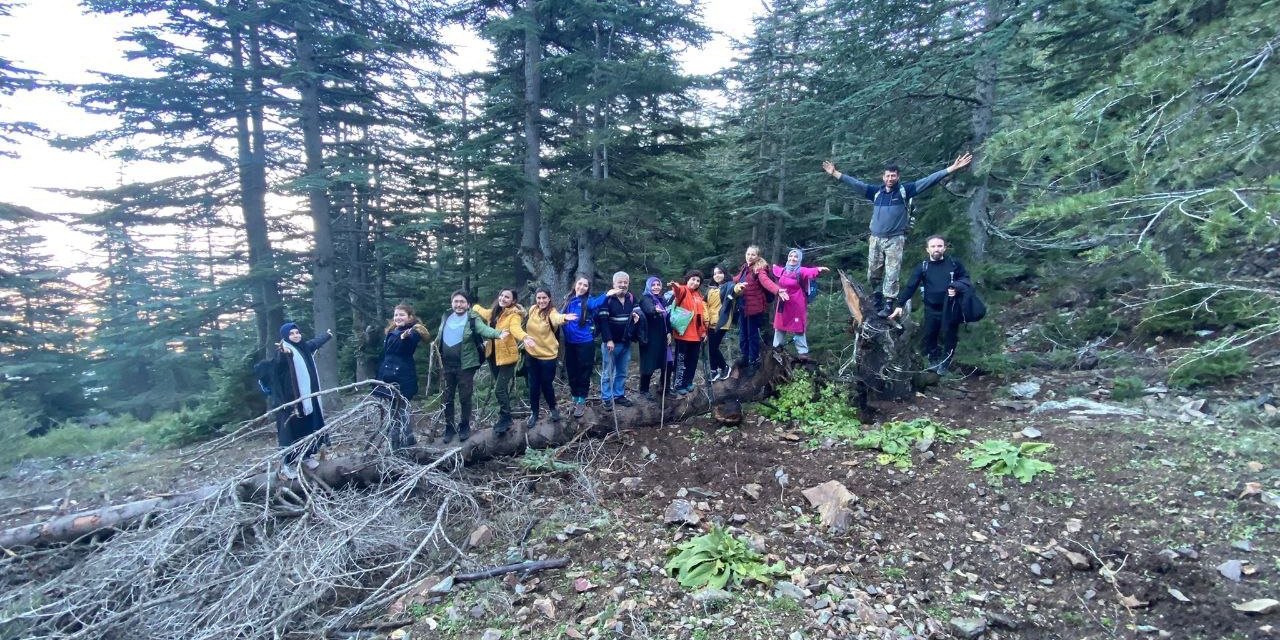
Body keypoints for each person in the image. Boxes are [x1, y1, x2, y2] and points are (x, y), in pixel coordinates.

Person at [822, 153, 972, 316]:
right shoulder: (875, 193)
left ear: (898, 176)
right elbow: (855, 184)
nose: (890, 178)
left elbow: (929, 180)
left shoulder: (905, 191)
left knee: (892, 273)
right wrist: (835, 173)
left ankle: (888, 303)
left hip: (895, 239)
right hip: (876, 238)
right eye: (887, 175)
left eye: (893, 176)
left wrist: (951, 168)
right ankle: (877, 297)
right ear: (883, 177)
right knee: (873, 272)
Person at [888, 235, 972, 374]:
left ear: (945, 248)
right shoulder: (923, 267)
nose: (936, 249)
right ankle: (933, 360)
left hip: (951, 307)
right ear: (927, 249)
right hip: (931, 308)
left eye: (939, 246)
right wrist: (899, 304)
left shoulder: (954, 264)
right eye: (933, 246)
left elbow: (966, 280)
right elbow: (911, 286)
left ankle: (945, 363)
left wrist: (956, 287)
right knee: (930, 334)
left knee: (950, 336)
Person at [435, 291, 507, 442]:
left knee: (465, 397)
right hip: (446, 365)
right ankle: (449, 428)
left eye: (462, 302)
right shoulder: (446, 317)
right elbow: (439, 336)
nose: (459, 305)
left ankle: (464, 426)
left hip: (465, 366)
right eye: (456, 301)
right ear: (452, 303)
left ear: (468, 304)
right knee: (447, 398)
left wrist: (498, 334)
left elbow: (484, 330)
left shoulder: (473, 318)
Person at [266, 322, 333, 476]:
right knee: (292, 431)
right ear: (285, 337)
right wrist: (284, 352)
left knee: (308, 427)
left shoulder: (303, 347)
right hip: (292, 402)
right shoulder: (284, 351)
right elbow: (280, 363)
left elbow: (315, 343)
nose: (296, 336)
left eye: (297, 333)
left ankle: (307, 456)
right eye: (291, 334)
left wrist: (328, 335)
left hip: (308, 399)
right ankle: (289, 463)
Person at [511, 288, 577, 426]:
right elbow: (524, 316)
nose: (541, 301)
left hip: (548, 357)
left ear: (549, 298)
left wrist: (564, 318)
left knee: (547, 384)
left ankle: (553, 409)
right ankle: (534, 413)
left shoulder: (552, 312)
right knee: (533, 386)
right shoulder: (533, 309)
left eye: (544, 298)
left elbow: (557, 318)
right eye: (539, 298)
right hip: (531, 354)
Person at [375, 304, 430, 448]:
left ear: (410, 317)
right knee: (393, 410)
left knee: (403, 408)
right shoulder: (392, 331)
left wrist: (405, 337)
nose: (398, 317)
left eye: (402, 315)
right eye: (396, 315)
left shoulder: (414, 332)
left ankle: (409, 442)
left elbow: (409, 342)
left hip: (403, 376)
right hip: (388, 375)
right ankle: (395, 444)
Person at [471, 289, 525, 435]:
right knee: (501, 388)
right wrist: (473, 307)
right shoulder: (494, 313)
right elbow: (480, 310)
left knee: (499, 388)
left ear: (513, 301)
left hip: (507, 357)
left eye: (507, 297)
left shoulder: (513, 315)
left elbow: (516, 330)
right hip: (492, 356)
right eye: (501, 295)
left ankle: (506, 417)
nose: (503, 298)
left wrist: (525, 338)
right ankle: (506, 415)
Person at [733, 245, 784, 377]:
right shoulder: (745, 268)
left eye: (753, 255)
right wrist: (721, 282)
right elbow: (736, 280)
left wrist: (777, 290)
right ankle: (745, 356)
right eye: (748, 254)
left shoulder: (759, 269)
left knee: (752, 335)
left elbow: (765, 281)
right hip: (743, 307)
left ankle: (753, 360)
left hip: (754, 309)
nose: (750, 256)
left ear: (758, 256)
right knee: (743, 334)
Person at [770, 248, 829, 361]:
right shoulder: (783, 271)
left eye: (796, 257)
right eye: (791, 256)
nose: (793, 259)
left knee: (798, 328)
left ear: (799, 259)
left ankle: (803, 353)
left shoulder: (800, 271)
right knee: (779, 326)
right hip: (783, 303)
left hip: (797, 304)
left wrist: (819, 269)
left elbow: (810, 271)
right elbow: (774, 270)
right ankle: (777, 348)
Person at [593, 271, 640, 410]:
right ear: (614, 284)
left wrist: (637, 318)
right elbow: (603, 321)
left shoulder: (631, 298)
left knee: (622, 371)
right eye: (620, 282)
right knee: (608, 372)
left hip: (626, 342)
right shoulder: (607, 299)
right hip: (611, 344)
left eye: (625, 282)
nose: (623, 285)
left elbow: (637, 312)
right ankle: (607, 398)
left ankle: (618, 395)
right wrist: (608, 340)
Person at [561, 276, 603, 417]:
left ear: (588, 288)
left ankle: (581, 400)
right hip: (570, 342)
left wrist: (608, 294)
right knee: (571, 371)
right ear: (575, 284)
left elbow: (597, 303)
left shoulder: (588, 301)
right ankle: (574, 397)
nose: (582, 287)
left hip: (585, 343)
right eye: (580, 284)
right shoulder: (568, 299)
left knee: (584, 371)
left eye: (585, 285)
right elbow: (559, 317)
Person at [668, 270, 708, 395]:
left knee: (693, 360)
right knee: (681, 360)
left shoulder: (699, 296)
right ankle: (678, 385)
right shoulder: (683, 290)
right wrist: (675, 286)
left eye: (698, 281)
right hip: (683, 333)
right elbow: (678, 291)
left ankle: (688, 382)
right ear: (688, 279)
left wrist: (704, 332)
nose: (695, 283)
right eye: (693, 279)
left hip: (697, 336)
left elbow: (700, 317)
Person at [637, 275, 672, 400]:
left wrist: (669, 332)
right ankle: (643, 390)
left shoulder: (661, 300)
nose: (656, 287)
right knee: (648, 364)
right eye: (653, 285)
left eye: (658, 285)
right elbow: (648, 309)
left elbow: (667, 317)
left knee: (668, 363)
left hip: (663, 337)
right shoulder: (646, 298)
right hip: (650, 337)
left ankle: (665, 387)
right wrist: (654, 310)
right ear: (648, 286)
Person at [703, 265, 735, 381]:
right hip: (710, 322)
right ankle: (714, 371)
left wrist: (740, 287)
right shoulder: (711, 290)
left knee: (713, 347)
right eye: (715, 273)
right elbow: (704, 303)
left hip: (721, 322)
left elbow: (735, 290)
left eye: (720, 272)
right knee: (711, 347)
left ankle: (725, 367)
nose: (717, 275)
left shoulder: (730, 286)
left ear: (725, 273)